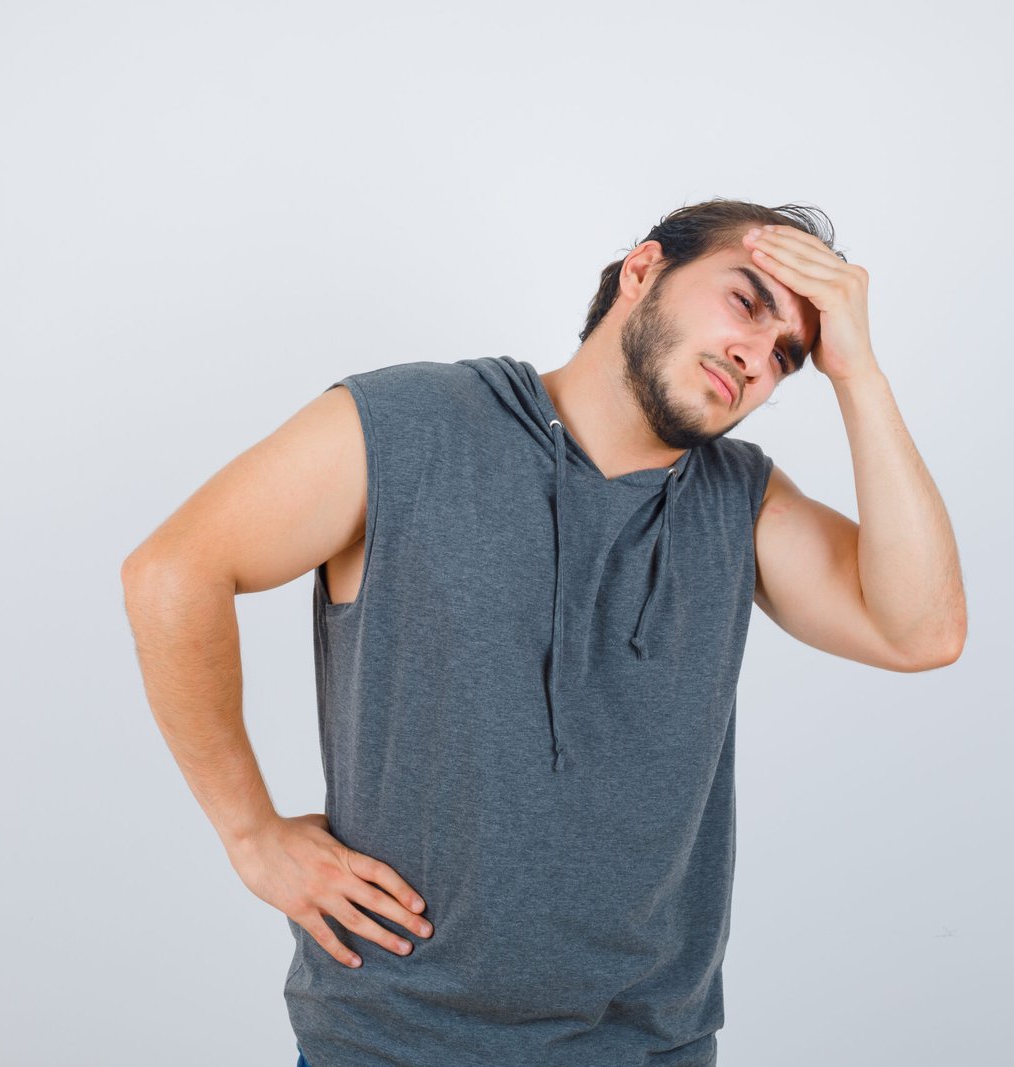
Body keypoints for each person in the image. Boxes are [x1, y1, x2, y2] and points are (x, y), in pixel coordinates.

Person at [121, 198, 967, 1066]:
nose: (759, 357)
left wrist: (860, 376)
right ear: (643, 272)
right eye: (747, 302)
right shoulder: (413, 424)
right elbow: (173, 571)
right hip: (395, 1042)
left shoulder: (741, 500)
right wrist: (253, 834)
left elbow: (923, 631)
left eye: (791, 355)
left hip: (649, 1048)